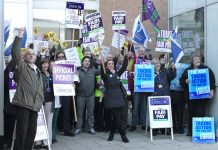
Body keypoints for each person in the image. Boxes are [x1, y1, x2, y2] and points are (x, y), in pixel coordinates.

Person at [11, 28, 44, 150]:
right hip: (24, 105)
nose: (31, 55)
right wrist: (19, 36)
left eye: (33, 54)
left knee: (31, 134)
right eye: (28, 54)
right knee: (21, 134)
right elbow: (15, 52)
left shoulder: (38, 70)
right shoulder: (22, 66)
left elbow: (40, 88)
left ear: (35, 57)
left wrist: (40, 102)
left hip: (35, 107)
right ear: (25, 56)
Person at [180, 54, 215, 136]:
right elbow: (181, 80)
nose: (197, 61)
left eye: (198, 59)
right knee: (191, 113)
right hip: (191, 97)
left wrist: (212, 90)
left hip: (203, 96)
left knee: (200, 112)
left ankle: (199, 132)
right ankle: (191, 131)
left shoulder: (206, 69)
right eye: (195, 60)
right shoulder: (188, 70)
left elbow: (212, 80)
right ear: (192, 61)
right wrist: (186, 81)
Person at [101, 52, 130, 143]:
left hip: (119, 97)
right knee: (117, 118)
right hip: (110, 98)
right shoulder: (105, 75)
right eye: (109, 64)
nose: (111, 65)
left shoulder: (117, 73)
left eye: (112, 63)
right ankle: (123, 136)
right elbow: (102, 71)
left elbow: (124, 67)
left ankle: (111, 134)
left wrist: (125, 57)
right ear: (106, 66)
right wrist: (101, 62)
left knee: (116, 118)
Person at [74, 56, 100, 135]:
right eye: (85, 61)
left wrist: (102, 63)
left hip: (90, 96)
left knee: (90, 112)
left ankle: (90, 127)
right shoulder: (77, 71)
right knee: (80, 113)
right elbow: (73, 81)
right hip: (80, 96)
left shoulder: (93, 71)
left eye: (88, 61)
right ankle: (78, 128)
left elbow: (102, 71)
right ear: (82, 62)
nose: (87, 62)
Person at [152, 58, 176, 135]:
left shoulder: (164, 71)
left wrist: (173, 70)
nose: (157, 64)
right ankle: (155, 129)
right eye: (155, 63)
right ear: (152, 65)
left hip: (165, 95)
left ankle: (164, 129)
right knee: (156, 113)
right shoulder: (150, 74)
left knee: (165, 113)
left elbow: (171, 77)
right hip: (155, 96)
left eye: (158, 63)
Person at [129, 46, 151, 131]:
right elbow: (131, 71)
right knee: (135, 106)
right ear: (138, 52)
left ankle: (143, 123)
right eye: (141, 51)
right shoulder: (135, 61)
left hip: (145, 87)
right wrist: (133, 74)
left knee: (144, 106)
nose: (142, 52)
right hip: (137, 87)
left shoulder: (148, 62)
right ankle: (134, 124)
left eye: (144, 51)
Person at [35, 59, 54, 149]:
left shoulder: (52, 75)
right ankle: (38, 142)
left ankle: (47, 142)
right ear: (40, 65)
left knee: (48, 122)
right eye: (43, 64)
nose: (45, 65)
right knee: (39, 122)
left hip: (50, 100)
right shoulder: (37, 73)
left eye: (47, 64)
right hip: (40, 100)